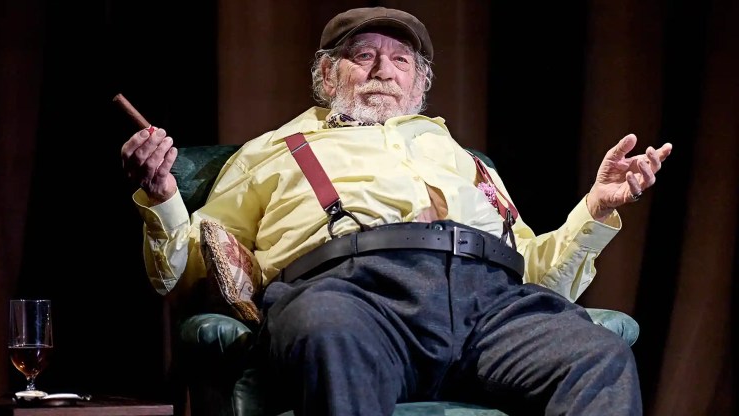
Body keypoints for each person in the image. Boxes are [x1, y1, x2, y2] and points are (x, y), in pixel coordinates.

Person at [121, 6, 672, 416]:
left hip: (490, 304)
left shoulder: (462, 159)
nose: (385, 70)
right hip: (353, 295)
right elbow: (189, 269)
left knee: (596, 355)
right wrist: (164, 195)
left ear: (419, 81)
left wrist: (595, 209)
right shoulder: (274, 151)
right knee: (327, 329)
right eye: (365, 56)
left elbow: (538, 273)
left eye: (401, 60)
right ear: (328, 74)